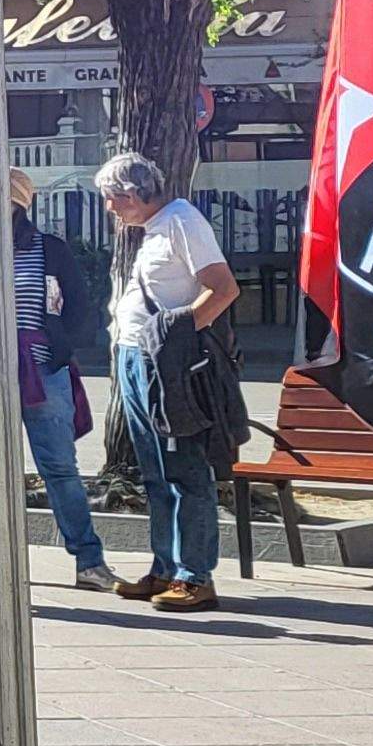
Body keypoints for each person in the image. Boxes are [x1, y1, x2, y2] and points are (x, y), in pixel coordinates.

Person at [99, 152, 239, 613]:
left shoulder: (183, 221)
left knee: (183, 468)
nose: (110, 208)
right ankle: (165, 567)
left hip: (165, 364)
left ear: (136, 194)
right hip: (136, 356)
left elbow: (223, 288)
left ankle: (195, 575)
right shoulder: (154, 229)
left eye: (113, 198)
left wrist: (178, 339)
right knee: (156, 471)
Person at [16, 171, 112, 591]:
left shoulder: (48, 250)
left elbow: (79, 308)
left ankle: (89, 560)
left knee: (59, 468)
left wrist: (62, 348)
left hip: (42, 372)